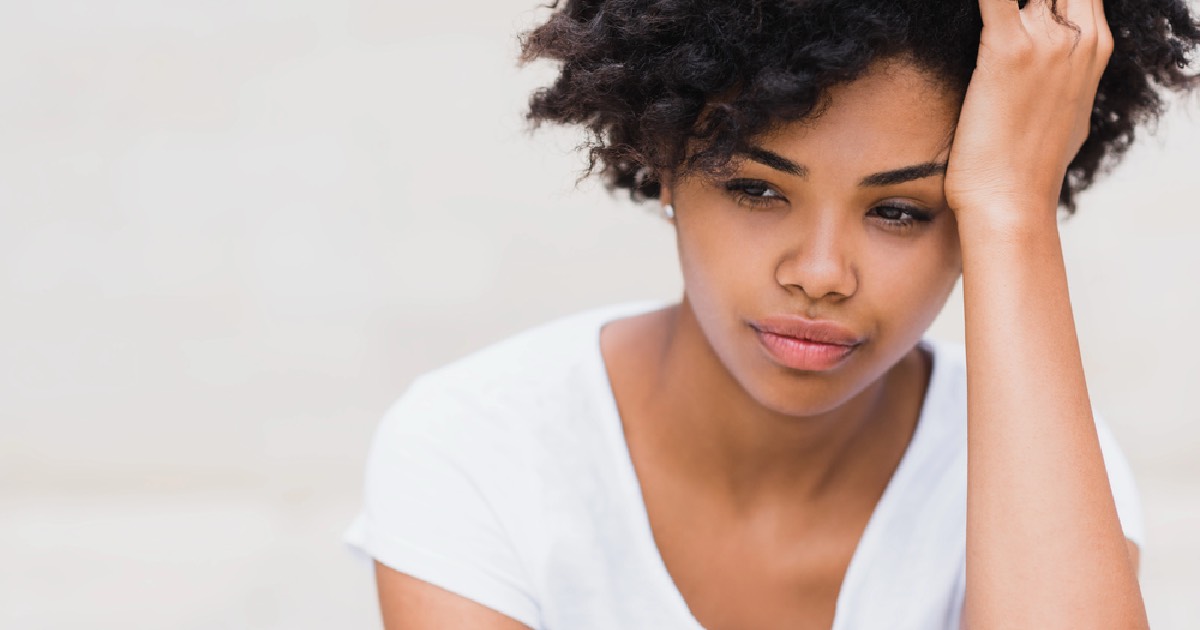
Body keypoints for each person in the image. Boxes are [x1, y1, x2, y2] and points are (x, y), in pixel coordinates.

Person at [345, 0, 1200, 627]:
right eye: (756, 188)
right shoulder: (476, 449)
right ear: (665, 161)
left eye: (902, 211)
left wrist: (1016, 207)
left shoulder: (1034, 462)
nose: (820, 274)